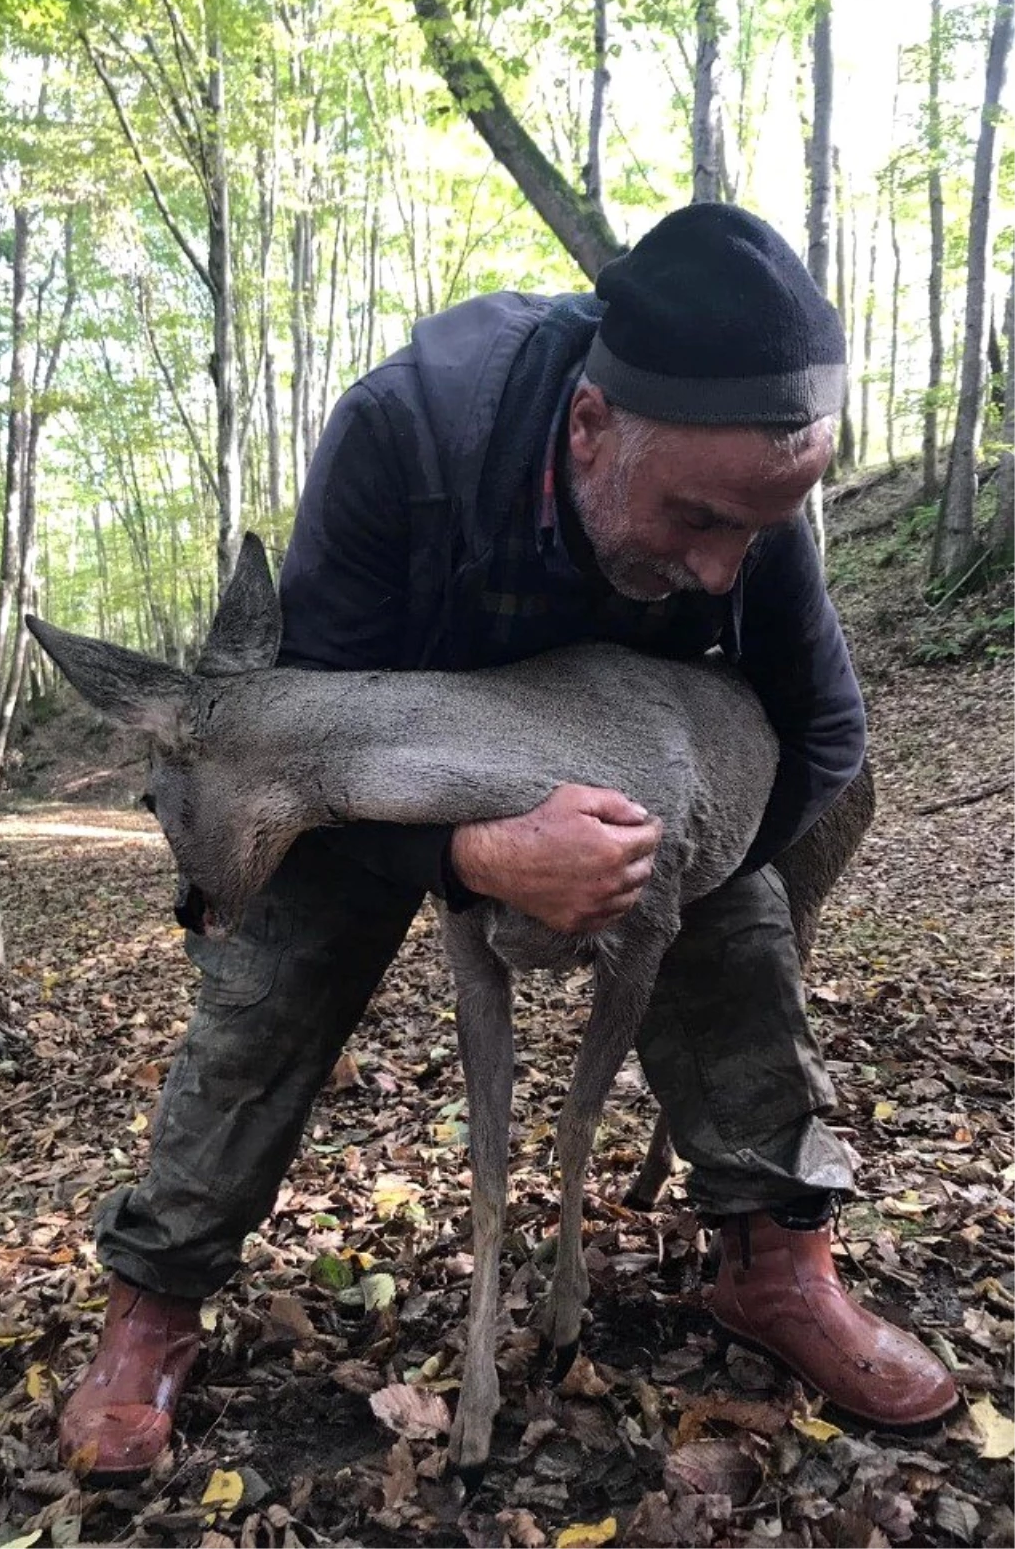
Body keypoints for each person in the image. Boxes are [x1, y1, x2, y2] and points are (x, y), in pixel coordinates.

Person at [58, 205, 957, 1478]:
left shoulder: (743, 502)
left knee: (728, 919)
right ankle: (157, 1295)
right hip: (382, 773)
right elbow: (307, 740)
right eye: (696, 521)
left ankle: (774, 1256)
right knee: (268, 970)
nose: (721, 571)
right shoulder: (404, 437)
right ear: (592, 429)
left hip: (637, 757)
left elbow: (824, 735)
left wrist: (695, 869)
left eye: (754, 533)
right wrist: (466, 862)